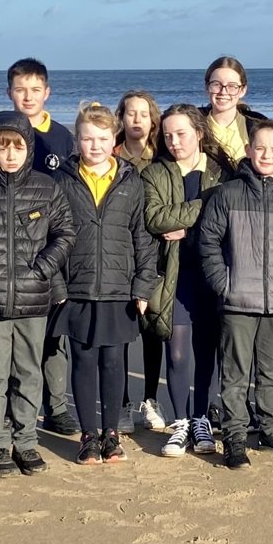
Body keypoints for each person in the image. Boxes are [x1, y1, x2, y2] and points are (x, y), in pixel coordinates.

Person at [0, 112, 76, 478]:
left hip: (34, 299)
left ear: (28, 148)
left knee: (28, 374)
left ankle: (26, 442)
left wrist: (40, 271)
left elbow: (65, 233)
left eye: (17, 146)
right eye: (2, 146)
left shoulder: (46, 187)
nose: (9, 154)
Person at [195, 119, 273, 467]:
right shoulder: (228, 194)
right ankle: (236, 437)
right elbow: (208, 242)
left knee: (272, 372)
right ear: (248, 150)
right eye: (260, 148)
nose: (266, 155)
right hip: (238, 301)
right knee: (235, 373)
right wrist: (223, 284)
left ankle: (272, 429)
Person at [60, 103, 159, 465]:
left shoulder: (130, 182)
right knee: (83, 360)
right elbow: (52, 236)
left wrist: (142, 287)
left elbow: (143, 238)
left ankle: (112, 434)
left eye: (103, 138)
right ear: (78, 139)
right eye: (88, 138)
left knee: (114, 361)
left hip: (120, 289)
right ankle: (88, 436)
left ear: (114, 139)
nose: (95, 145)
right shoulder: (63, 180)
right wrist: (58, 286)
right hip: (77, 288)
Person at [143, 103, 226, 457]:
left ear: (199, 133)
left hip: (210, 273)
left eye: (181, 134)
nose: (174, 142)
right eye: (168, 135)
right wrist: (202, 208)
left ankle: (202, 418)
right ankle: (180, 423)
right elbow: (155, 218)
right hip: (172, 275)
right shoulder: (154, 173)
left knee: (207, 352)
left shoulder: (221, 173)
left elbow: (225, 221)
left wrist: (189, 225)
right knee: (177, 352)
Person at [7, 57, 76, 434]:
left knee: (53, 333)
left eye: (35, 90)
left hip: (51, 250)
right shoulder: (0, 133)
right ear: (9, 93)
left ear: (47, 93)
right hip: (8, 251)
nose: (27, 96)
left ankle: (57, 405)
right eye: (20, 89)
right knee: (12, 334)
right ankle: (12, 407)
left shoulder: (62, 138)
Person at [116, 89, 168, 434]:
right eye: (130, 113)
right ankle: (120, 402)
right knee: (120, 331)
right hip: (118, 256)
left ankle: (150, 399)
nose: (137, 119)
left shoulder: (162, 158)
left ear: (153, 120)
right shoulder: (109, 153)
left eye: (143, 113)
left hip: (157, 255)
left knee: (153, 330)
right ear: (121, 117)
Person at [202, 56, 269, 171]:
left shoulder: (259, 127)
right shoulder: (194, 127)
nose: (223, 92)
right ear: (207, 87)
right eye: (216, 84)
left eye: (232, 86)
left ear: (242, 90)